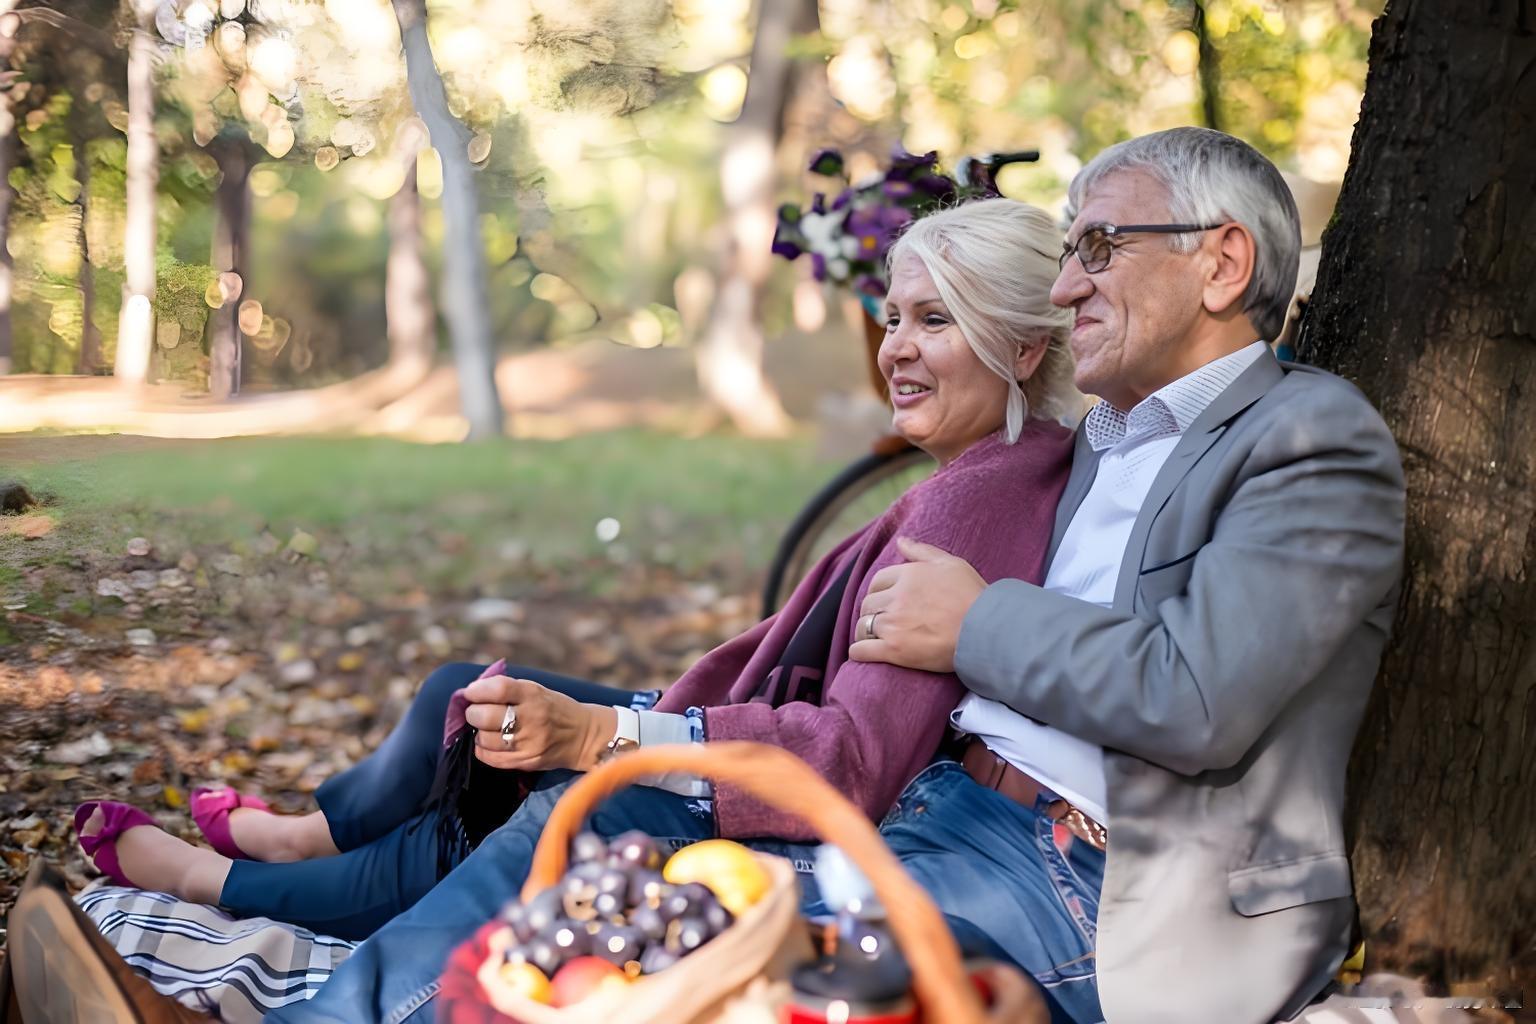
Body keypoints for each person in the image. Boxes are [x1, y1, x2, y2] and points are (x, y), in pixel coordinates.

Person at [9, 198, 1083, 1022]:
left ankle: (252, 898)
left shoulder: (977, 494)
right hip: (772, 740)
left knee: (541, 787)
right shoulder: (991, 469)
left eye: (933, 321)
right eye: (892, 317)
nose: (893, 346)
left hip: (818, 785)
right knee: (476, 719)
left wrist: (630, 733)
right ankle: (271, 865)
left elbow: (855, 755)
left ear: (1024, 346)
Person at [850, 127, 1406, 1024]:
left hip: (1102, 886)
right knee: (599, 839)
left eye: (1099, 247)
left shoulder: (1311, 439)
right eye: (1069, 253)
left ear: (1222, 264)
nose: (1068, 286)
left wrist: (977, 622)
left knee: (770, 964)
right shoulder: (1092, 446)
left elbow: (1196, 697)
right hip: (940, 806)